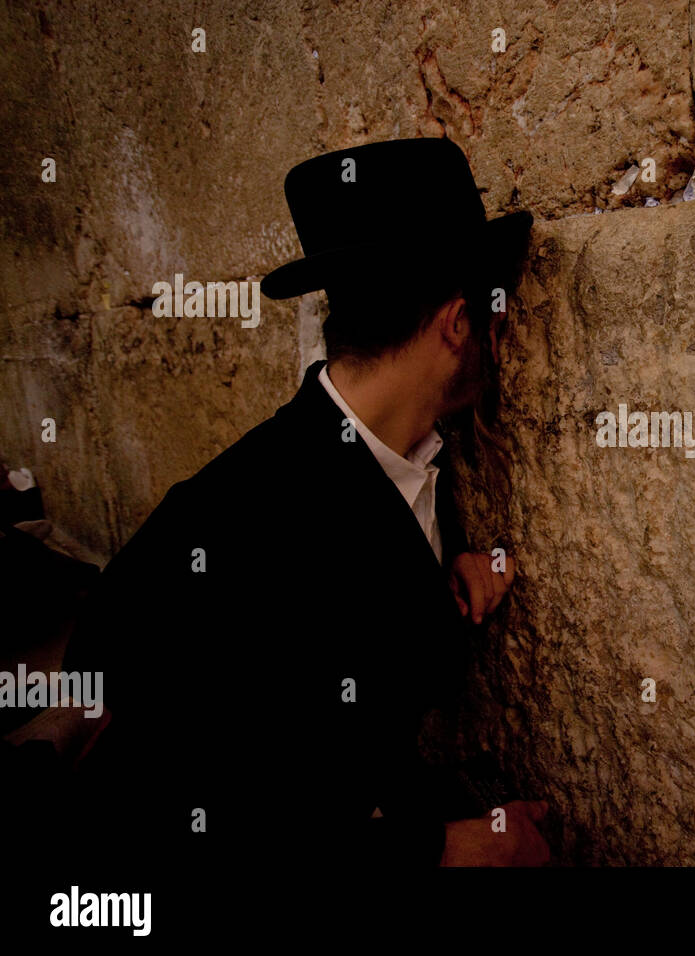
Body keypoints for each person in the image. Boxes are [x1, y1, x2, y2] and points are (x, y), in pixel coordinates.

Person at [59, 137, 551, 867]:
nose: (501, 335)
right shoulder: (231, 520)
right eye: (495, 314)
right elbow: (185, 816)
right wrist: (454, 849)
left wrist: (441, 589)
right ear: (456, 324)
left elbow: (325, 678)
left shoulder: (405, 458)